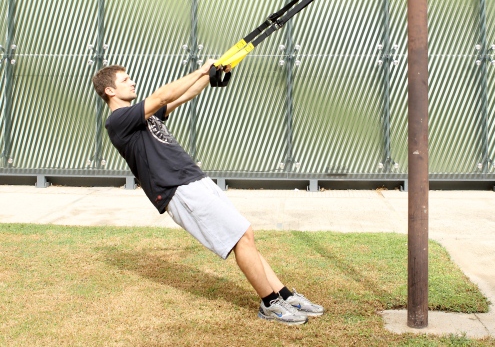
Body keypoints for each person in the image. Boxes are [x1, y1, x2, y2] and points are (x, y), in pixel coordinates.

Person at [92, 60, 324, 324]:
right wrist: (201, 70)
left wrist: (213, 74)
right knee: (240, 239)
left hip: (193, 179)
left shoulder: (142, 116)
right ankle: (270, 304)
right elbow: (161, 96)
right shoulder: (119, 120)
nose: (132, 81)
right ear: (110, 91)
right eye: (125, 80)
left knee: (244, 235)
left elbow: (185, 94)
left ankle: (283, 295)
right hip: (178, 189)